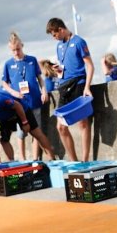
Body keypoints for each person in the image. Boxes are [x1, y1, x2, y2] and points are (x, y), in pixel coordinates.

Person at [46, 17, 93, 161]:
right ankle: (74, 161)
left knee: (83, 123)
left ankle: (85, 160)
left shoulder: (79, 41)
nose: (55, 38)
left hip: (78, 84)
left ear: (60, 29)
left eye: (55, 35)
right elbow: (64, 67)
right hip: (63, 86)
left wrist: (87, 87)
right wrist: (58, 69)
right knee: (61, 127)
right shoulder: (59, 46)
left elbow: (90, 66)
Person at [0, 32, 52, 161]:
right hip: (20, 103)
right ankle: (22, 158)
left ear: (22, 46)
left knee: (36, 131)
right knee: (21, 132)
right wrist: (13, 93)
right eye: (13, 50)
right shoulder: (8, 64)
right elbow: (4, 83)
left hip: (34, 99)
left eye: (18, 49)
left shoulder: (32, 60)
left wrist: (44, 91)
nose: (16, 52)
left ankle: (35, 158)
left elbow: (40, 78)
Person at [0, 89, 56, 163]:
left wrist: (25, 122)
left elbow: (17, 105)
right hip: (5, 117)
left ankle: (52, 159)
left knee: (37, 134)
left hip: (20, 109)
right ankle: (12, 162)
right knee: (4, 139)